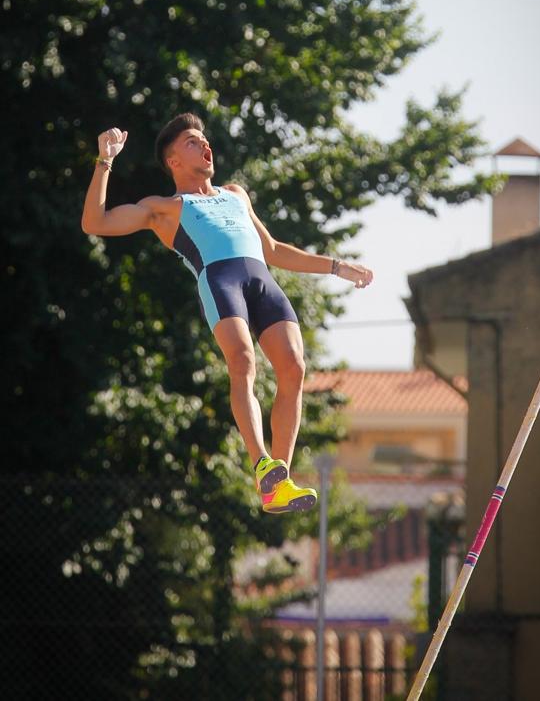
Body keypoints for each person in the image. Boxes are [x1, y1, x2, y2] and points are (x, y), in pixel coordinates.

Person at [81, 112, 373, 513]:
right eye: (192, 142)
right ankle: (260, 462)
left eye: (204, 139)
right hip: (221, 282)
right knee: (243, 361)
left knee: (294, 367)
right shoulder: (165, 208)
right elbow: (94, 222)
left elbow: (273, 251)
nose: (205, 145)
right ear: (174, 162)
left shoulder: (236, 194)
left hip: (262, 281)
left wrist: (337, 266)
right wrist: (105, 161)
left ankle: (279, 481)